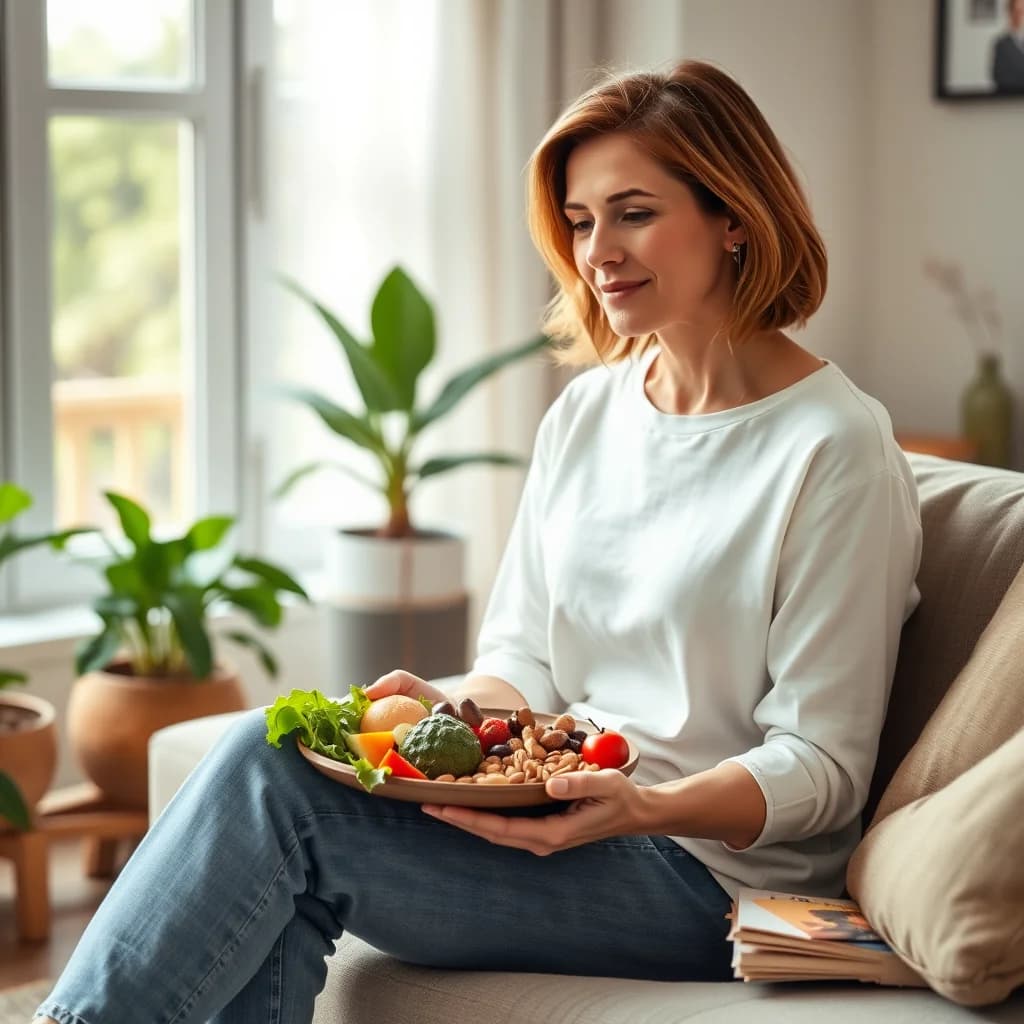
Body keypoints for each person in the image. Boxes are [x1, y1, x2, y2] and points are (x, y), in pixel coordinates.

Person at [32, 58, 922, 1024]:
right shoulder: (587, 413)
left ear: (735, 215)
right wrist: (447, 709)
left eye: (633, 212)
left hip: (706, 877)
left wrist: (648, 807)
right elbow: (523, 660)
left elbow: (823, 769)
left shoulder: (834, 445)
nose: (596, 253)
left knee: (273, 783)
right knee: (282, 784)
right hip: (561, 806)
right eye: (580, 222)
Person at [992, 0, 1024, 92]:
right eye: (1018, 12)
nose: (1021, 16)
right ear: (1011, 14)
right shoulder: (1001, 45)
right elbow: (1000, 79)